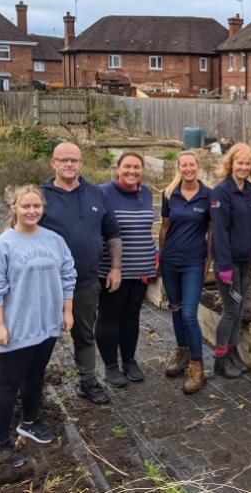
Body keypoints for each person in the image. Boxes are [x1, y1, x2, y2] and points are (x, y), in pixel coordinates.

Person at [0, 185, 76, 468]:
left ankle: (29, 423)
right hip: (17, 328)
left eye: (37, 206)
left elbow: (68, 274)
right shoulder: (4, 244)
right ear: (14, 208)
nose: (32, 211)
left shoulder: (54, 240)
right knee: (8, 386)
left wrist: (67, 311)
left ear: (43, 208)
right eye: (26, 206)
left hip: (47, 325)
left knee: (36, 376)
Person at [41, 142, 121, 405]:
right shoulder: (41, 196)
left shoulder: (96, 194)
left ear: (81, 164)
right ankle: (33, 384)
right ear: (53, 163)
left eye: (74, 160)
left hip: (85, 281)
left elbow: (112, 234)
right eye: (63, 160)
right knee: (42, 336)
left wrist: (116, 267)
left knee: (85, 334)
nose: (69, 164)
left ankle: (88, 381)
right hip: (47, 284)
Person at [96, 152, 157, 388]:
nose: (132, 172)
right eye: (127, 167)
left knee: (132, 316)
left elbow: (145, 231)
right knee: (110, 317)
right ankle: (111, 366)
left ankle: (130, 361)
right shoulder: (103, 193)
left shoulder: (147, 192)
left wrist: (154, 260)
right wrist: (113, 266)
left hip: (141, 268)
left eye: (137, 167)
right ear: (117, 169)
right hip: (113, 270)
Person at [210, 143, 251, 378]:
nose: (243, 167)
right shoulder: (221, 192)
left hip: (245, 261)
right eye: (239, 162)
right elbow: (219, 232)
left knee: (240, 308)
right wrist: (223, 265)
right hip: (229, 263)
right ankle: (220, 360)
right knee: (231, 310)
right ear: (230, 164)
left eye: (247, 163)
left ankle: (232, 353)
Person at [159, 150, 211, 394]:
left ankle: (197, 366)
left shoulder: (208, 196)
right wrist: (161, 258)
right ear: (178, 168)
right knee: (176, 309)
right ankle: (182, 353)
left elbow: (211, 233)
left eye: (192, 165)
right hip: (171, 261)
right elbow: (165, 227)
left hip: (193, 263)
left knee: (189, 313)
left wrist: (208, 264)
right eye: (184, 165)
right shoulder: (170, 194)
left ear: (197, 167)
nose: (188, 169)